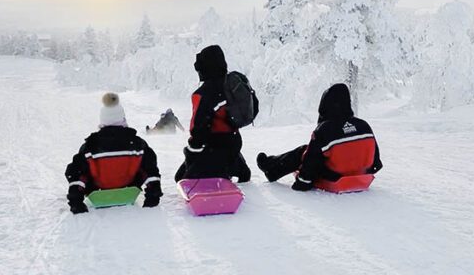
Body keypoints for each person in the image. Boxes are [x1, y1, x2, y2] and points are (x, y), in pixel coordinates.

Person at [256, 83, 382, 191]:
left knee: (304, 152)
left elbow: (311, 161)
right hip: (362, 177)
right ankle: (271, 167)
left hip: (335, 178)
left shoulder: (325, 129)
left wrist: (302, 183)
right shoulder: (364, 126)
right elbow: (376, 161)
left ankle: (270, 168)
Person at [64, 93, 162, 214]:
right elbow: (151, 169)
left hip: (98, 192)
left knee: (81, 167)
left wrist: (76, 202)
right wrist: (153, 197)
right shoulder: (137, 144)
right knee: (144, 162)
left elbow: (75, 172)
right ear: (123, 118)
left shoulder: (91, 146)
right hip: (128, 190)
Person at [174, 45, 257, 183]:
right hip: (234, 142)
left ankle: (218, 173)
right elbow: (254, 107)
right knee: (227, 155)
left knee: (180, 179)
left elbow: (197, 131)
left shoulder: (203, 93)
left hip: (212, 148)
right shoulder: (234, 83)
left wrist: (191, 158)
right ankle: (237, 166)